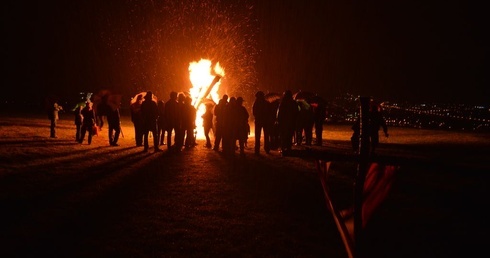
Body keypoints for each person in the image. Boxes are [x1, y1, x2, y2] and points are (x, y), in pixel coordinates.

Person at [276, 90, 299, 155]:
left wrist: (278, 120)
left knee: (283, 136)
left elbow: (279, 113)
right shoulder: (294, 103)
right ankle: (289, 148)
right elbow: (296, 112)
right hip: (291, 122)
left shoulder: (283, 103)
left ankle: (283, 148)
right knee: (289, 136)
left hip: (283, 123)